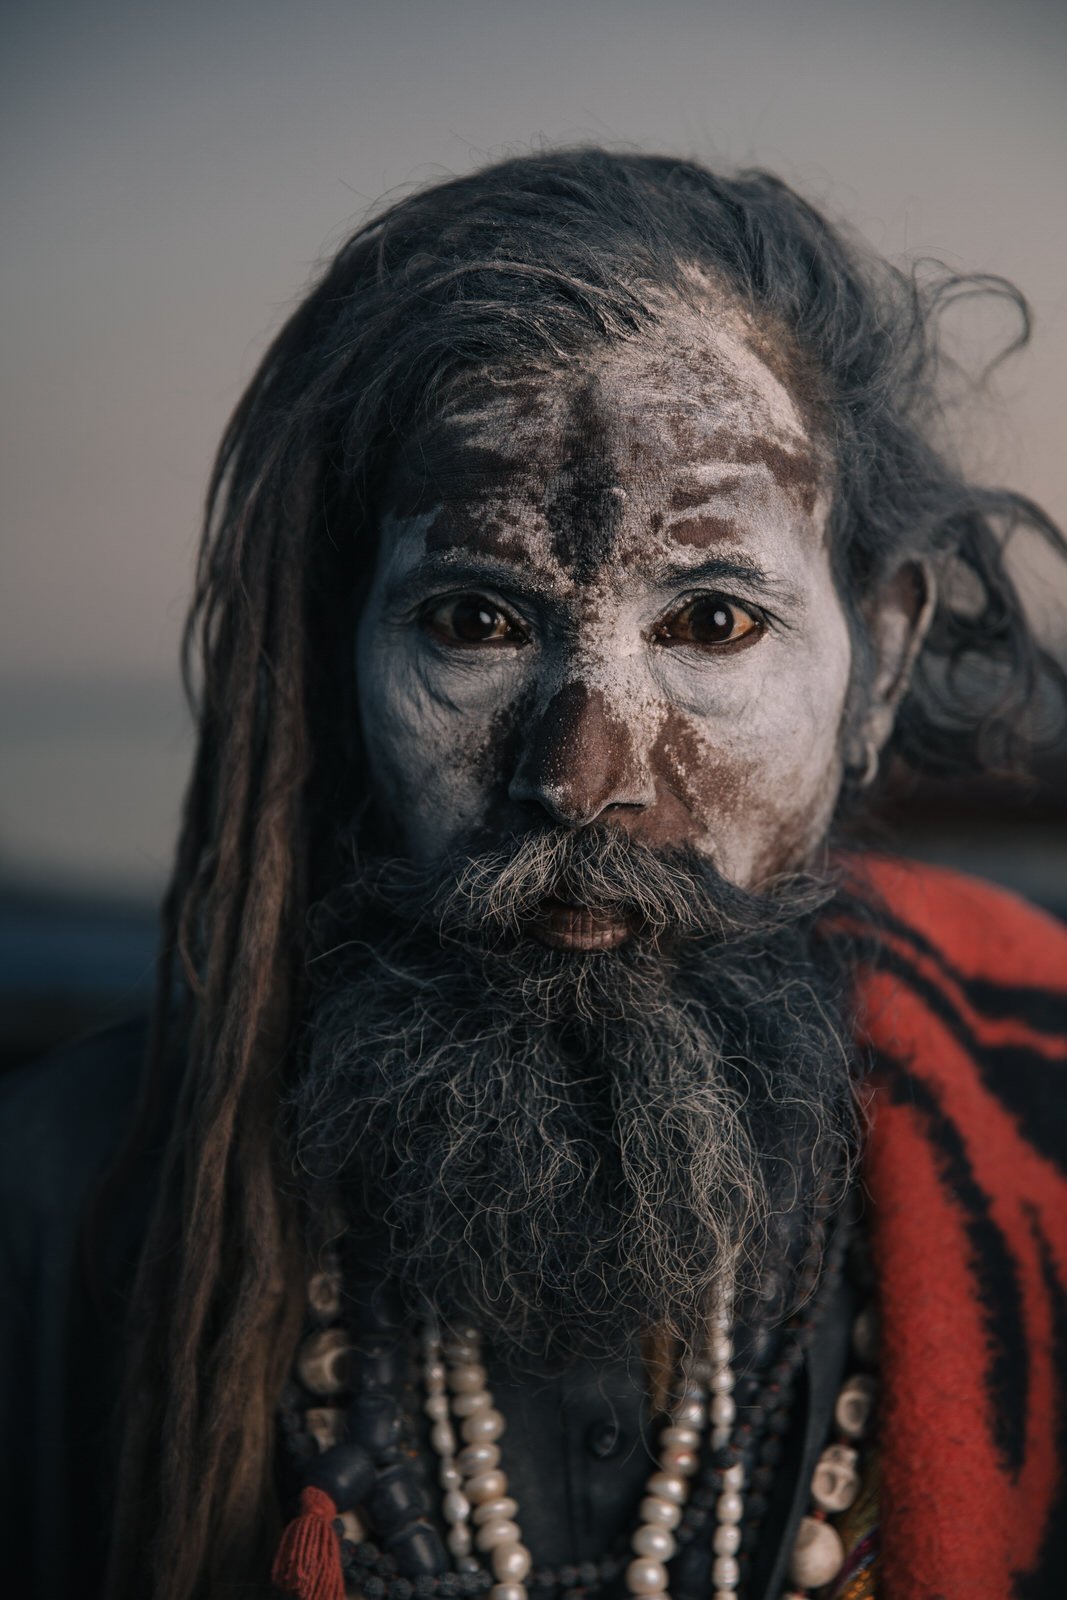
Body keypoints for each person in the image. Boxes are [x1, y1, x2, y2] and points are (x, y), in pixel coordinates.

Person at [3, 149, 1066, 1600]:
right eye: (474, 617)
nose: (578, 774)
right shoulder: (61, 1215)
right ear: (343, 658)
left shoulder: (1046, 1117)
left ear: (876, 661)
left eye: (710, 619)